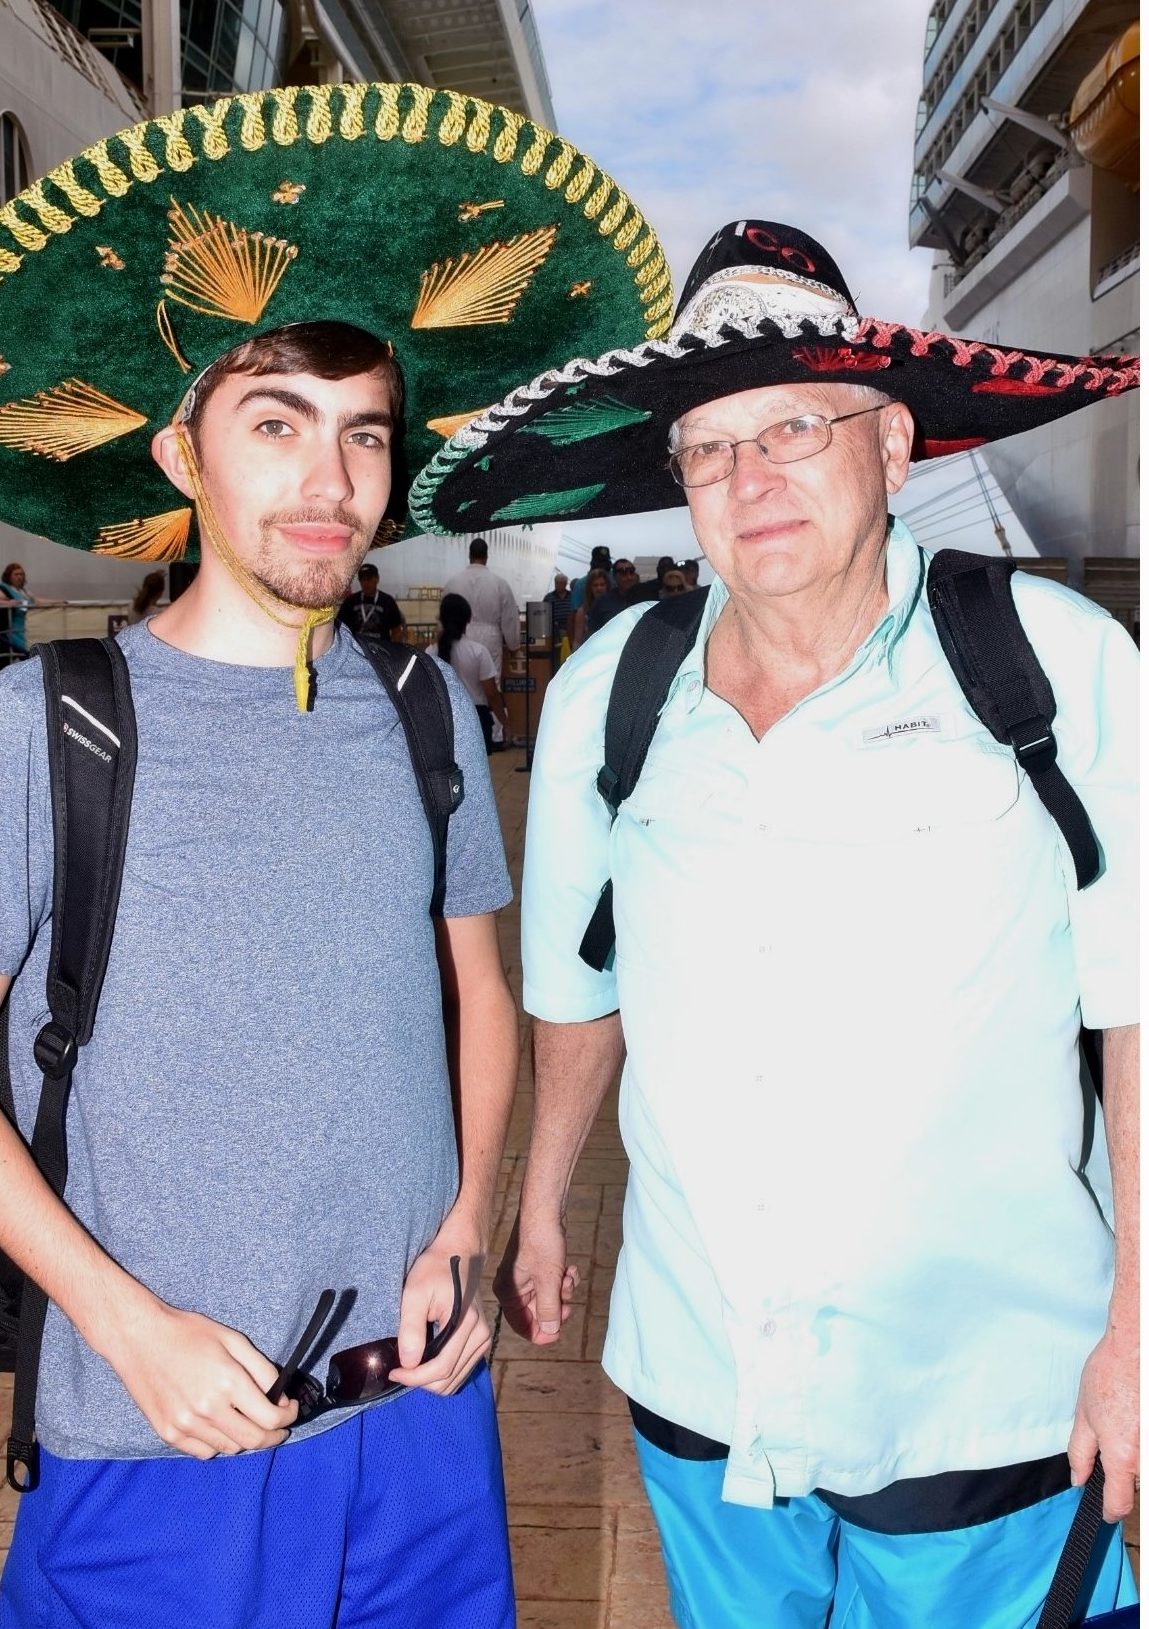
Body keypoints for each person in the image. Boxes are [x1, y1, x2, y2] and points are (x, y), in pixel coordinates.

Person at [0, 83, 669, 1627]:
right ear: (182, 456)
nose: (331, 482)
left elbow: (480, 1001)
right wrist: (124, 1324)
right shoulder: (53, 727)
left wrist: (467, 1225)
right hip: (159, 1438)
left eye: (364, 436)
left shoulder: (421, 706)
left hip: (419, 1426)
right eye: (277, 426)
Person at [412, 220, 1140, 1628]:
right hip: (700, 1378)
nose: (749, 479)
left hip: (987, 1396)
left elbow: (1137, 1010)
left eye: (795, 427)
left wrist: (1141, 1333)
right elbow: (577, 988)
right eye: (708, 447)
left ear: (893, 446)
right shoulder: (614, 691)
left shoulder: (1050, 664)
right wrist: (545, 1206)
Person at [443, 539, 520, 749]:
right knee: (491, 686)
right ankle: (494, 735)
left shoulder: (453, 582)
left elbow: (445, 610)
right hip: (490, 635)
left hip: (458, 633)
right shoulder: (499, 583)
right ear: (486, 556)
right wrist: (513, 645)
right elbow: (510, 617)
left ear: (469, 555)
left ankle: (462, 732)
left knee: (461, 684)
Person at [433, 592, 509, 756]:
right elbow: (492, 694)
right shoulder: (479, 651)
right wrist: (505, 723)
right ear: (468, 619)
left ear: (440, 618)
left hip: (441, 720)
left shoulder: (430, 652)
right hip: (476, 719)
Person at [0, 564, 64, 658]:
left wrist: (59, 602)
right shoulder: (3, 588)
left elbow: (36, 601)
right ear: (8, 576)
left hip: (25, 630)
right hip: (11, 631)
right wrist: (10, 603)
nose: (19, 577)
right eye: (16, 574)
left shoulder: (23, 591)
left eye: (21, 574)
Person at [337, 560, 404, 642]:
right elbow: (340, 627)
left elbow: (396, 630)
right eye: (362, 579)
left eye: (369, 579)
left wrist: (395, 652)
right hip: (357, 650)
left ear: (377, 579)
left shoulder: (387, 601)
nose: (365, 583)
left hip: (381, 651)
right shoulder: (350, 601)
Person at [585, 558, 639, 637]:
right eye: (623, 573)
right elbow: (592, 635)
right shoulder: (602, 602)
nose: (629, 577)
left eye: (631, 572)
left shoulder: (647, 597)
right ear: (614, 577)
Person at [570, 566, 610, 649]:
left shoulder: (614, 607)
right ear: (590, 588)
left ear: (607, 586)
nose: (599, 588)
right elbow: (577, 640)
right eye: (595, 585)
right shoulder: (583, 611)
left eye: (602, 585)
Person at [543, 571, 574, 650]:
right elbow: (544, 614)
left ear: (565, 584)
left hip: (571, 630)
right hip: (554, 632)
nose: (558, 585)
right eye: (556, 583)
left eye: (561, 583)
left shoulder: (572, 596)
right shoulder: (548, 597)